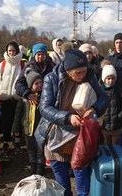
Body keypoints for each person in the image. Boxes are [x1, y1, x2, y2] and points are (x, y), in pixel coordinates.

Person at [34, 49, 109, 196]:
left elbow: (104, 97)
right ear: (68, 70)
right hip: (56, 131)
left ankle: (83, 194)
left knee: (80, 168)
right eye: (77, 73)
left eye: (84, 71)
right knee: (60, 170)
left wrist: (94, 109)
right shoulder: (52, 78)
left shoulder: (90, 76)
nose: (81, 76)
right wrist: (67, 117)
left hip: (80, 132)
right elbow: (44, 107)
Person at [0, 40, 24, 156]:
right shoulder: (2, 64)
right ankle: (5, 141)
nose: (11, 53)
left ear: (17, 51)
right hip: (5, 98)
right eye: (9, 50)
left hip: (18, 98)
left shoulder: (22, 64)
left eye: (13, 50)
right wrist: (0, 87)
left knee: (17, 121)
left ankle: (17, 141)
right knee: (6, 121)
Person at [12, 71, 45, 175]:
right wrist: (16, 128)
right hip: (28, 129)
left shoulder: (44, 97)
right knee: (30, 148)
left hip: (40, 130)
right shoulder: (24, 99)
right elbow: (18, 114)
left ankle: (40, 166)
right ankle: (33, 165)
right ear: (30, 85)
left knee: (40, 148)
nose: (39, 85)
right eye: (36, 83)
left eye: (41, 83)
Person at [99, 61, 122, 145]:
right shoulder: (100, 91)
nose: (110, 81)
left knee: (116, 147)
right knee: (106, 147)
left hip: (116, 126)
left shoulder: (120, 90)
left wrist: (119, 117)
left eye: (112, 78)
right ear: (104, 79)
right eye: (108, 78)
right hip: (104, 126)